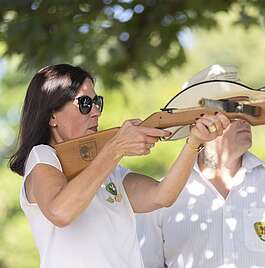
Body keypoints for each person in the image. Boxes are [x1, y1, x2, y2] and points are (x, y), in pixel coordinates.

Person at [9, 64, 230, 268]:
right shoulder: (42, 156)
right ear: (52, 116)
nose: (96, 111)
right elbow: (61, 212)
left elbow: (162, 196)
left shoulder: (106, 168)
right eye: (85, 103)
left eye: (97, 102)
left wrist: (194, 142)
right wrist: (115, 149)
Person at [136, 65, 265, 268]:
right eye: (233, 110)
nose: (246, 119)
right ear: (198, 122)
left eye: (248, 110)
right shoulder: (159, 198)